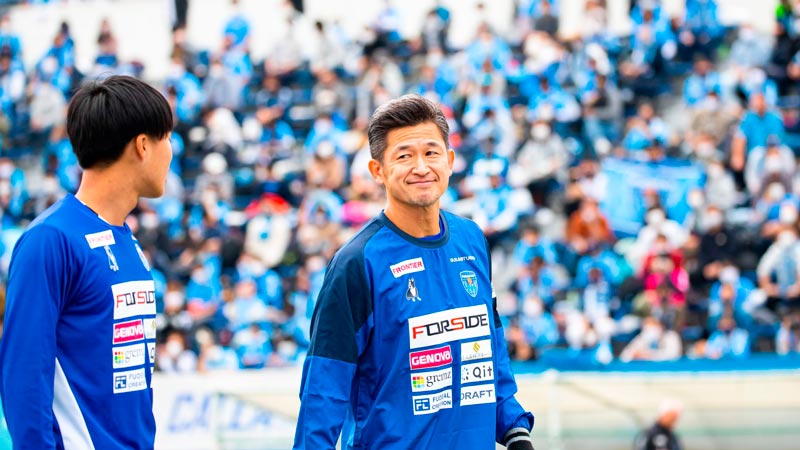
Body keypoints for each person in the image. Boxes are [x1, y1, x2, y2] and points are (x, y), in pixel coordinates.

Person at [293, 95, 535, 449]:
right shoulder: (357, 263)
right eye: (404, 156)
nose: (421, 167)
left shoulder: (472, 241)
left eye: (431, 153)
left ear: (450, 161)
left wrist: (515, 430)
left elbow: (487, 348)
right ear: (378, 171)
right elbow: (322, 396)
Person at [0, 75, 173, 449]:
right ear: (143, 145)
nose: (171, 152)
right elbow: (24, 379)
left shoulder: (129, 243)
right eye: (167, 138)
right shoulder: (50, 241)